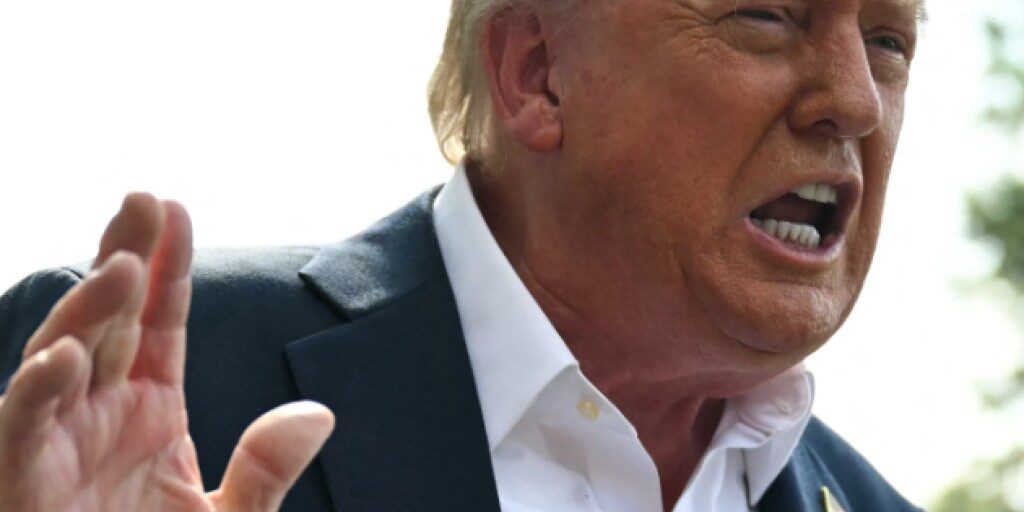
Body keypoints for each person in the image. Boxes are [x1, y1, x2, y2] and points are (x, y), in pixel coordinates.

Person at [0, 0, 928, 510]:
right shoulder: (138, 391)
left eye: (887, 41)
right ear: (537, 74)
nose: (856, 100)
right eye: (768, 16)